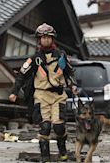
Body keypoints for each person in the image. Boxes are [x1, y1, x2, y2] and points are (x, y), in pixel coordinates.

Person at [9, 23, 77, 162]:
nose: (45, 40)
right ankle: (45, 157)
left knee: (58, 126)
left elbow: (69, 72)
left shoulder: (61, 55)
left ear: (53, 39)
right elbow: (21, 75)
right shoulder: (34, 58)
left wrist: (72, 85)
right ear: (39, 40)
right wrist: (14, 92)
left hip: (58, 95)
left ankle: (63, 152)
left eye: (48, 37)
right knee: (45, 127)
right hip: (41, 95)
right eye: (42, 38)